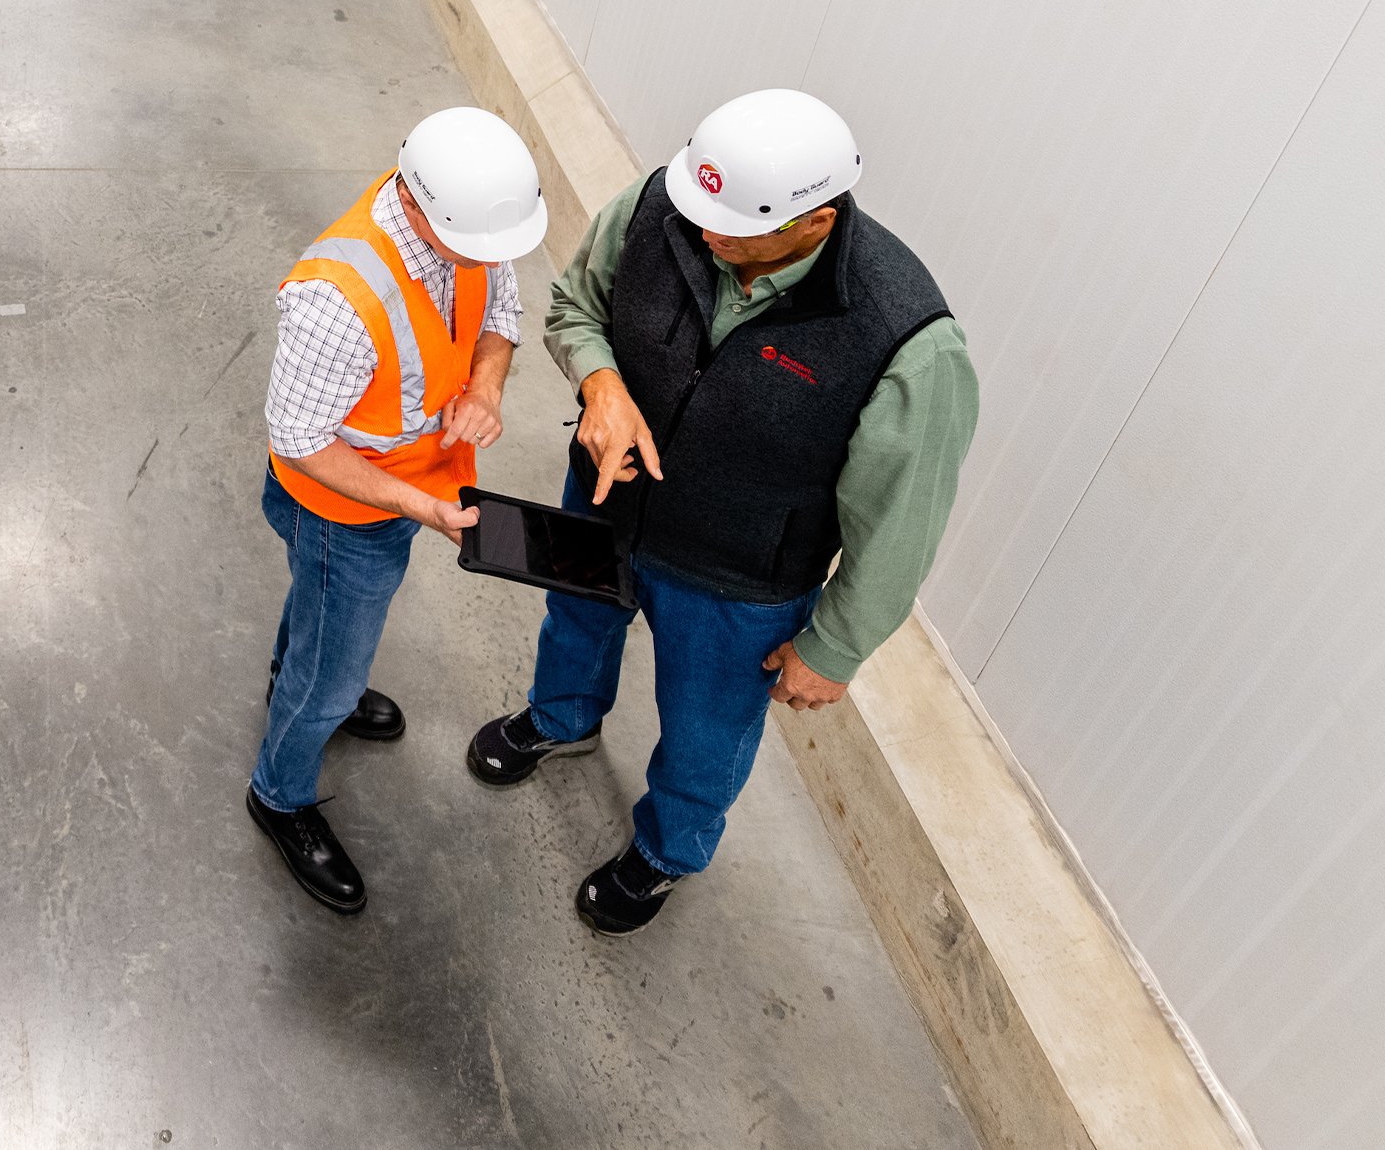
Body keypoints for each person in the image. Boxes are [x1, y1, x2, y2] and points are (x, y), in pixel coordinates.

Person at [465, 89, 979, 936]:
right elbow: (574, 307)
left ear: (815, 222)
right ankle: (562, 721)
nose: (701, 234)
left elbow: (902, 526)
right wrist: (600, 385)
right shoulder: (668, 204)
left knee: (706, 732)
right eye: (697, 209)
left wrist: (836, 647)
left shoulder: (906, 343)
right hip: (604, 497)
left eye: (732, 227)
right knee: (574, 622)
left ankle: (668, 849)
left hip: (737, 582)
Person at [248, 106, 547, 914]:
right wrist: (418, 505)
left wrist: (484, 387)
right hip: (341, 514)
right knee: (332, 673)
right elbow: (301, 437)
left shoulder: (471, 227)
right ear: (416, 206)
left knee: (314, 629)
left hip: (398, 494)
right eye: (480, 247)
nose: (495, 259)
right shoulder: (337, 297)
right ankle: (279, 793)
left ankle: (295, 678)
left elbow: (499, 314)